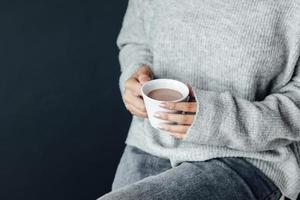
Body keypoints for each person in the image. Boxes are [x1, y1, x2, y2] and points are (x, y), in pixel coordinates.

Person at [99, 1, 300, 199]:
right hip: (150, 138)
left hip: (249, 156)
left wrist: (216, 119)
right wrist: (135, 76)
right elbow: (135, 39)